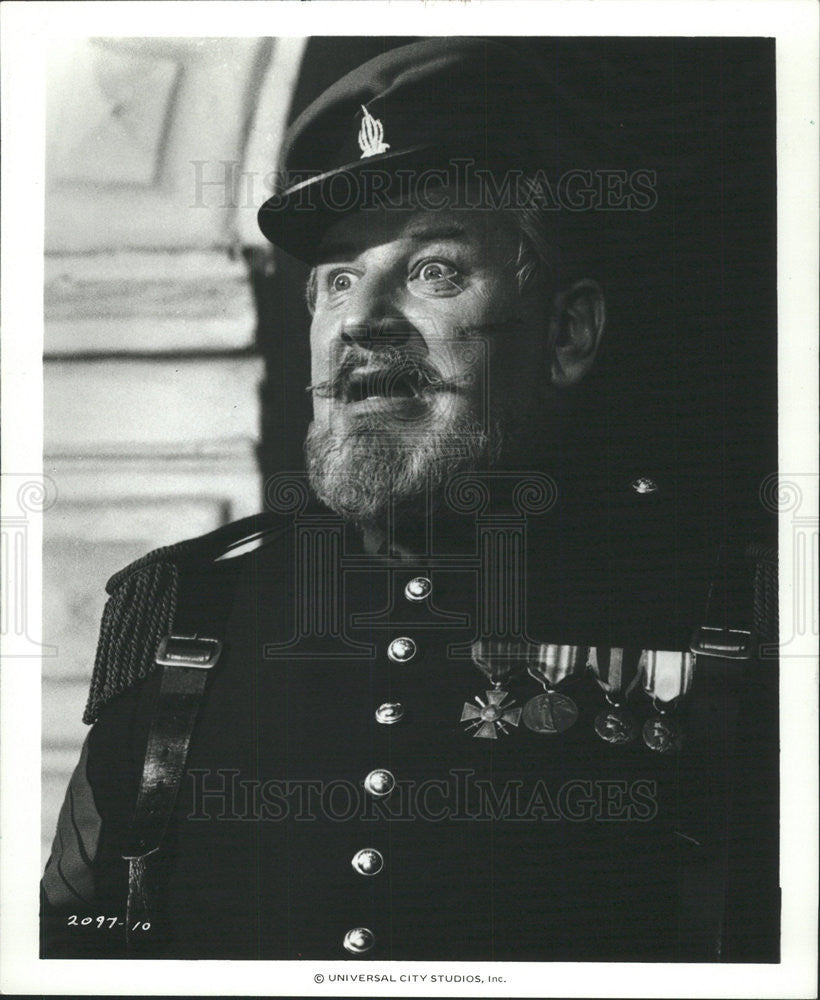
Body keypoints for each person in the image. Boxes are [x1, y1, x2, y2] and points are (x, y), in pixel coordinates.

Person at [41, 37, 778, 962]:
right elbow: (77, 948)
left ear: (570, 333)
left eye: (433, 268)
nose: (359, 320)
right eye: (337, 280)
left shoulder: (738, 610)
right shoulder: (189, 612)